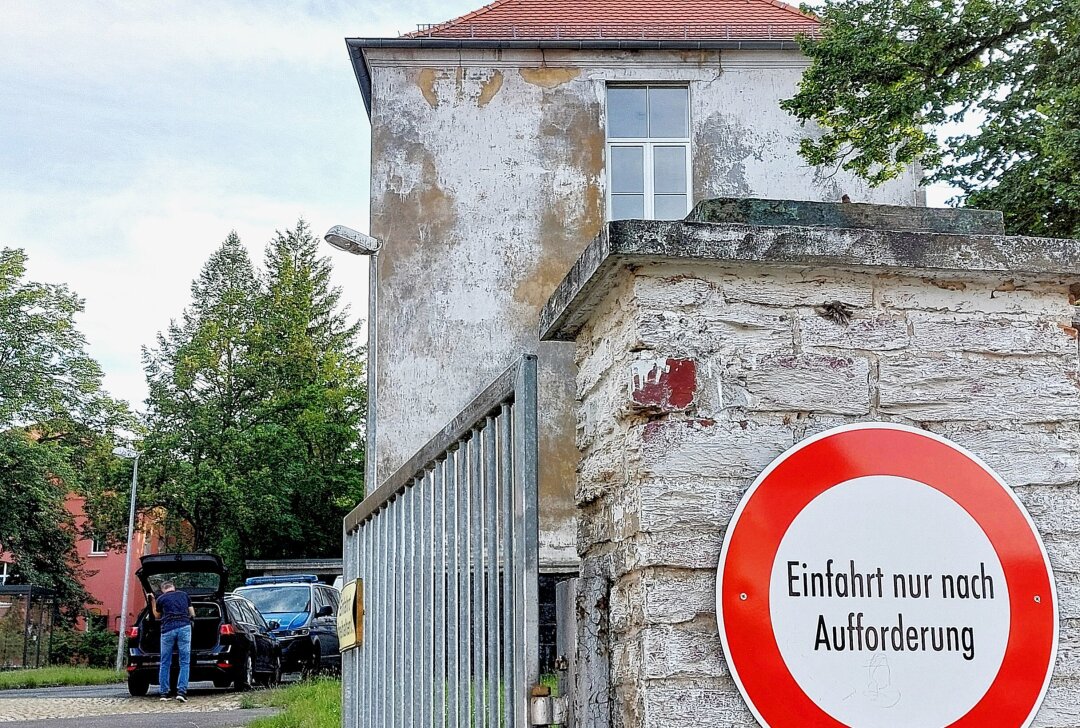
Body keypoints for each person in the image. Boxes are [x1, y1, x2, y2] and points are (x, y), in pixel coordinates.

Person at [148, 581, 195, 702]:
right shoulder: (184, 595)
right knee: (184, 662)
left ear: (163, 589)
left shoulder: (161, 599)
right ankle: (181, 692)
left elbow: (157, 616)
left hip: (167, 629)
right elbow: (192, 613)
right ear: (174, 587)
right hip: (184, 627)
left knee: (165, 662)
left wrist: (153, 601)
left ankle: (164, 693)